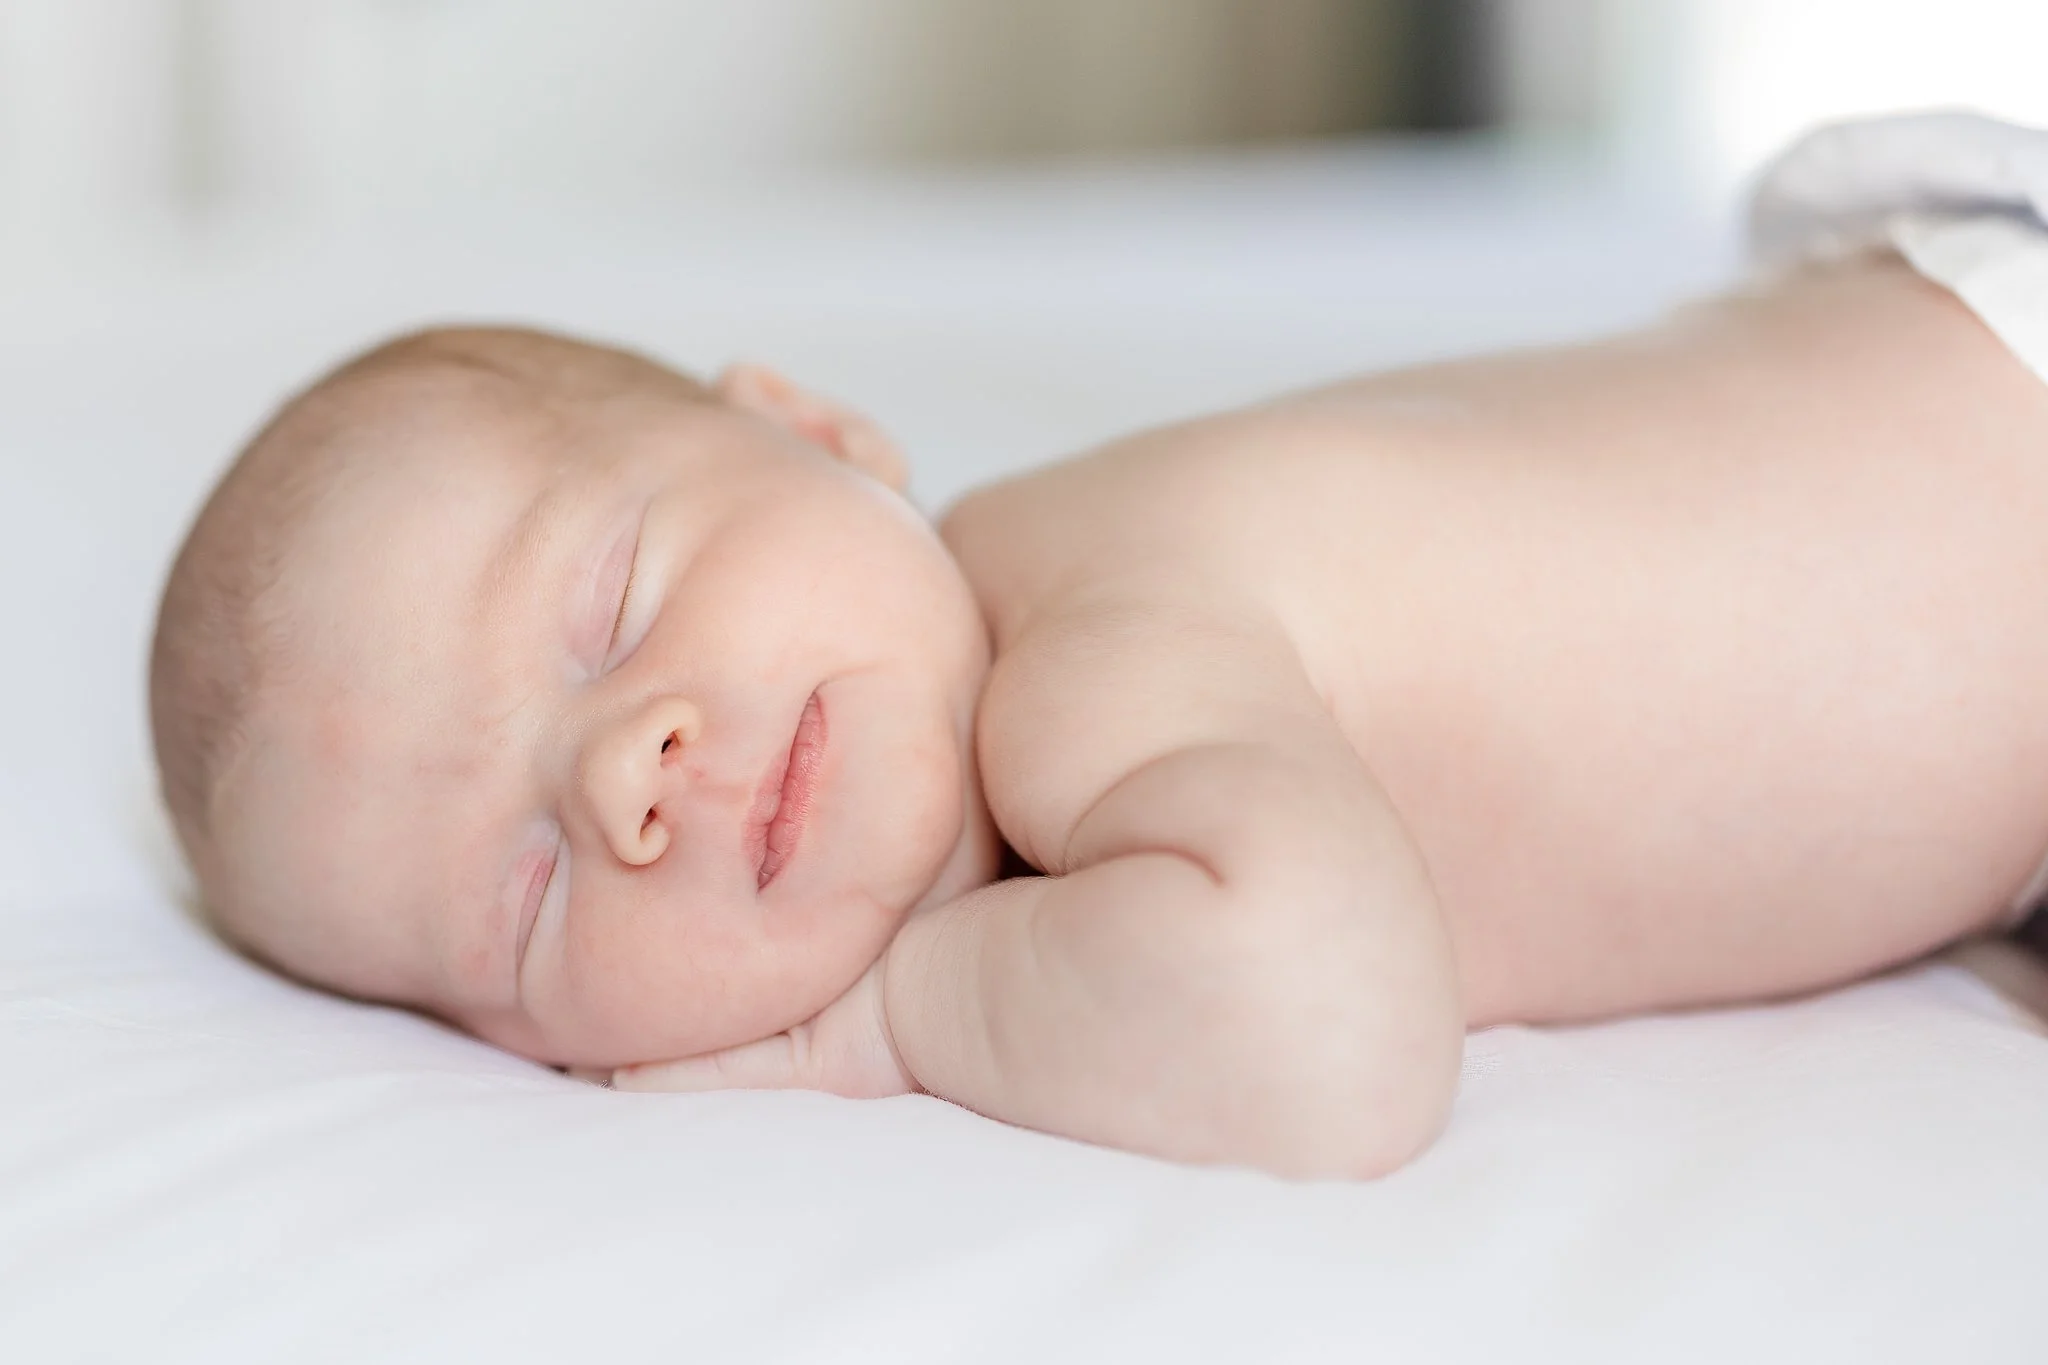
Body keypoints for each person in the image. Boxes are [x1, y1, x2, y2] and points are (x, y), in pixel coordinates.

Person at [149, 113, 2048, 1179]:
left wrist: (892, 1020)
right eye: (532, 893)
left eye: (609, 609)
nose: (623, 770)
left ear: (817, 433)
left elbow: (1331, 1041)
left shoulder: (1086, 636)